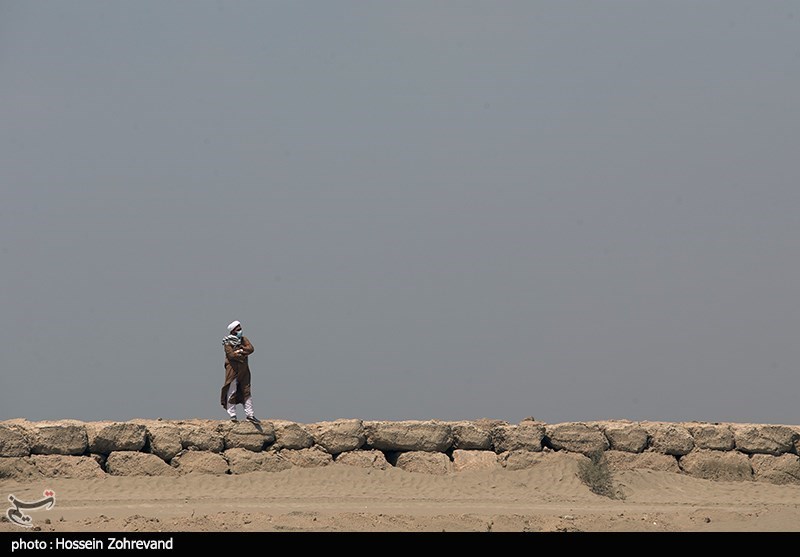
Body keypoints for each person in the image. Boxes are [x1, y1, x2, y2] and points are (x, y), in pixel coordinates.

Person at [220, 320, 260, 424]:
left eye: (240, 329)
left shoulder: (243, 339)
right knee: (232, 391)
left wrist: (240, 350)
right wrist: (242, 354)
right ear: (233, 331)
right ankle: (232, 414)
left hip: (244, 369)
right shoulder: (227, 342)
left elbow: (251, 349)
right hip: (233, 370)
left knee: (246, 391)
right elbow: (231, 355)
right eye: (238, 329)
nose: (240, 331)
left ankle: (250, 415)